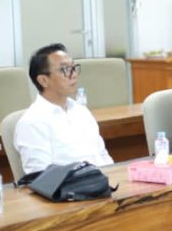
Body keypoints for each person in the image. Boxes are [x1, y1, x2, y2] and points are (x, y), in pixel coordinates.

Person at [15, 43, 113, 174]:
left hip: (101, 184)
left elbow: (102, 156)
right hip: (69, 191)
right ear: (44, 80)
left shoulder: (81, 111)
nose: (73, 74)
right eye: (65, 70)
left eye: (73, 67)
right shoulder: (32, 122)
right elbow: (41, 176)